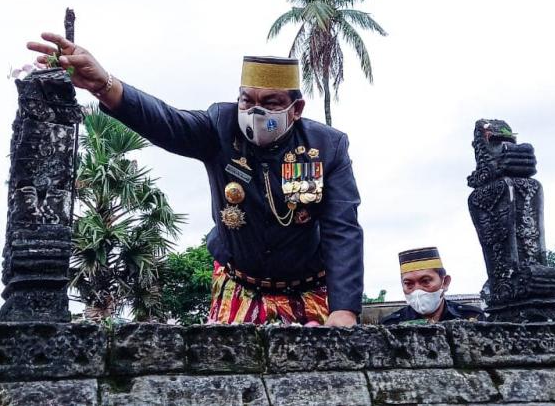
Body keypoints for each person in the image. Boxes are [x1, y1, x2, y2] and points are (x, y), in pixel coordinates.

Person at [27, 33, 364, 327]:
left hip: (308, 293)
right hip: (240, 290)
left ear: (297, 108)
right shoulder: (220, 125)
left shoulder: (328, 147)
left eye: (271, 103)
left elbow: (342, 227)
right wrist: (103, 84)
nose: (256, 112)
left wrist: (345, 310)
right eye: (248, 100)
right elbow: (166, 121)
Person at [380, 247, 483, 324]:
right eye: (409, 284)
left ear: (445, 282)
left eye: (425, 281)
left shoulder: (472, 316)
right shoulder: (391, 325)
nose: (417, 290)